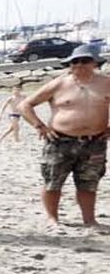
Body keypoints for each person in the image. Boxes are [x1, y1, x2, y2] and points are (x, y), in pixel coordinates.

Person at [18, 45, 109, 230]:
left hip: (94, 142)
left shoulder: (106, 82)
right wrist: (39, 125)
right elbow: (25, 105)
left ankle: (89, 220)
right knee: (53, 181)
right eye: (75, 61)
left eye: (85, 60)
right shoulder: (59, 83)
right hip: (60, 141)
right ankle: (52, 218)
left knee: (88, 183)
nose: (79, 65)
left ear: (95, 63)